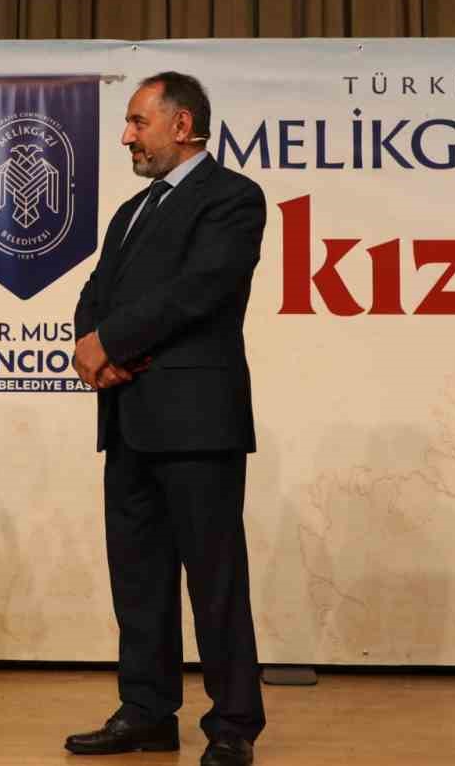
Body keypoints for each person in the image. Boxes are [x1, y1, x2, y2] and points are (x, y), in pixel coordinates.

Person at [67, 72, 267, 766]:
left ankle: (234, 723)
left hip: (197, 420)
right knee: (139, 577)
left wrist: (112, 344)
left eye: (137, 122)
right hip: (128, 416)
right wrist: (90, 345)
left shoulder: (233, 197)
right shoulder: (131, 210)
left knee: (215, 579)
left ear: (182, 125)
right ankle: (147, 711)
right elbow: (96, 290)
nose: (126, 136)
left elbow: (199, 290)